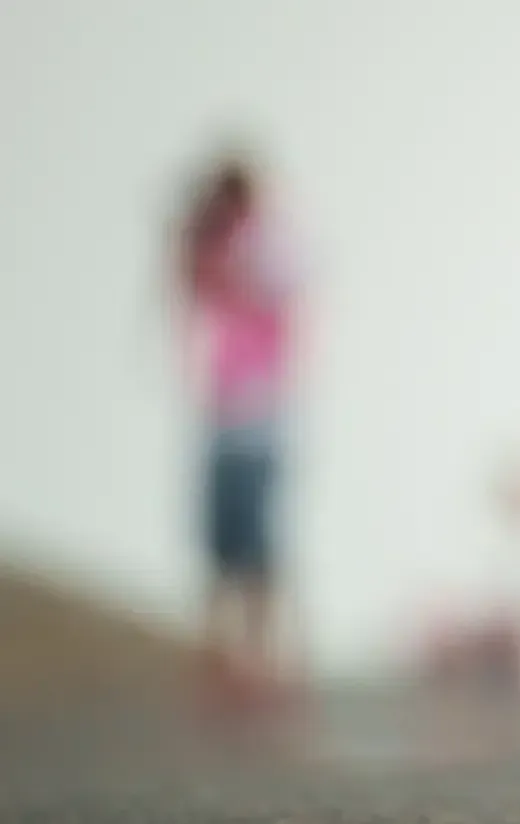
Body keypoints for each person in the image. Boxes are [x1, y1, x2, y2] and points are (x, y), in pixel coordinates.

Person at [173, 149, 303, 705]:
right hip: (224, 413)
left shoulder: (268, 245)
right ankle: (226, 663)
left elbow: (285, 282)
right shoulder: (210, 248)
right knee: (222, 545)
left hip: (260, 413)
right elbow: (188, 288)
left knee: (257, 544)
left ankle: (264, 661)